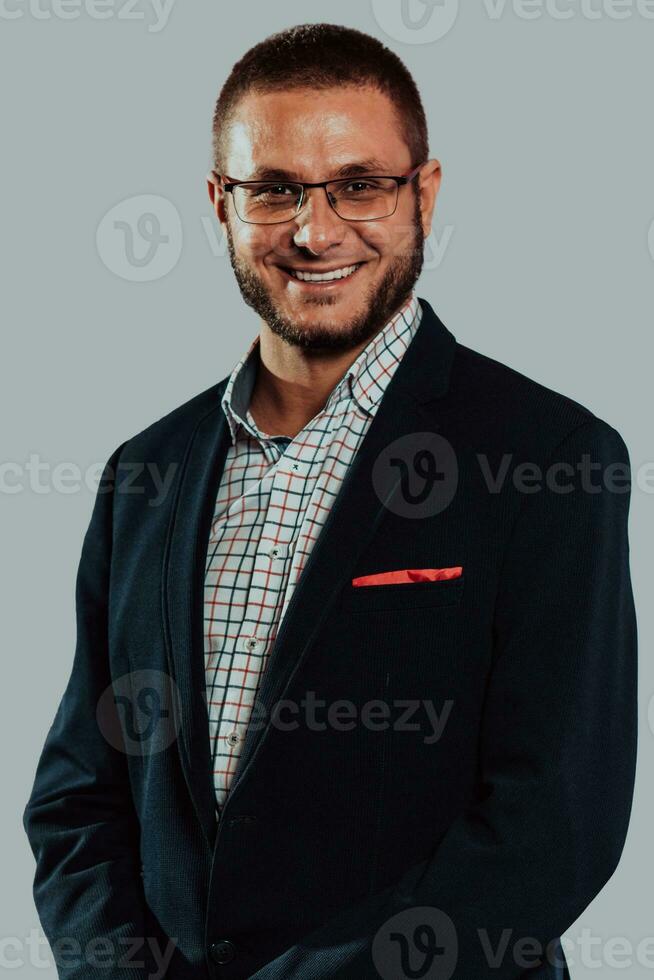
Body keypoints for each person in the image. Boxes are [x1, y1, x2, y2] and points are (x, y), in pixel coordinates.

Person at [23, 22, 637, 980]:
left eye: (360, 185)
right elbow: (80, 798)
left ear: (423, 193)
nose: (315, 232)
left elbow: (552, 821)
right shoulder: (145, 474)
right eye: (272, 190)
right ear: (220, 203)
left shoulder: (549, 458)